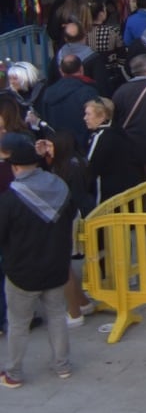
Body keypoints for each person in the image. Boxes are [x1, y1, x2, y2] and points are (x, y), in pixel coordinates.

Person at [0, 132, 77, 388]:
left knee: (19, 323)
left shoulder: (10, 200)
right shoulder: (59, 187)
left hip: (22, 271)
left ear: (17, 167)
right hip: (56, 266)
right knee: (57, 315)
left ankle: (14, 372)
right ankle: (62, 366)